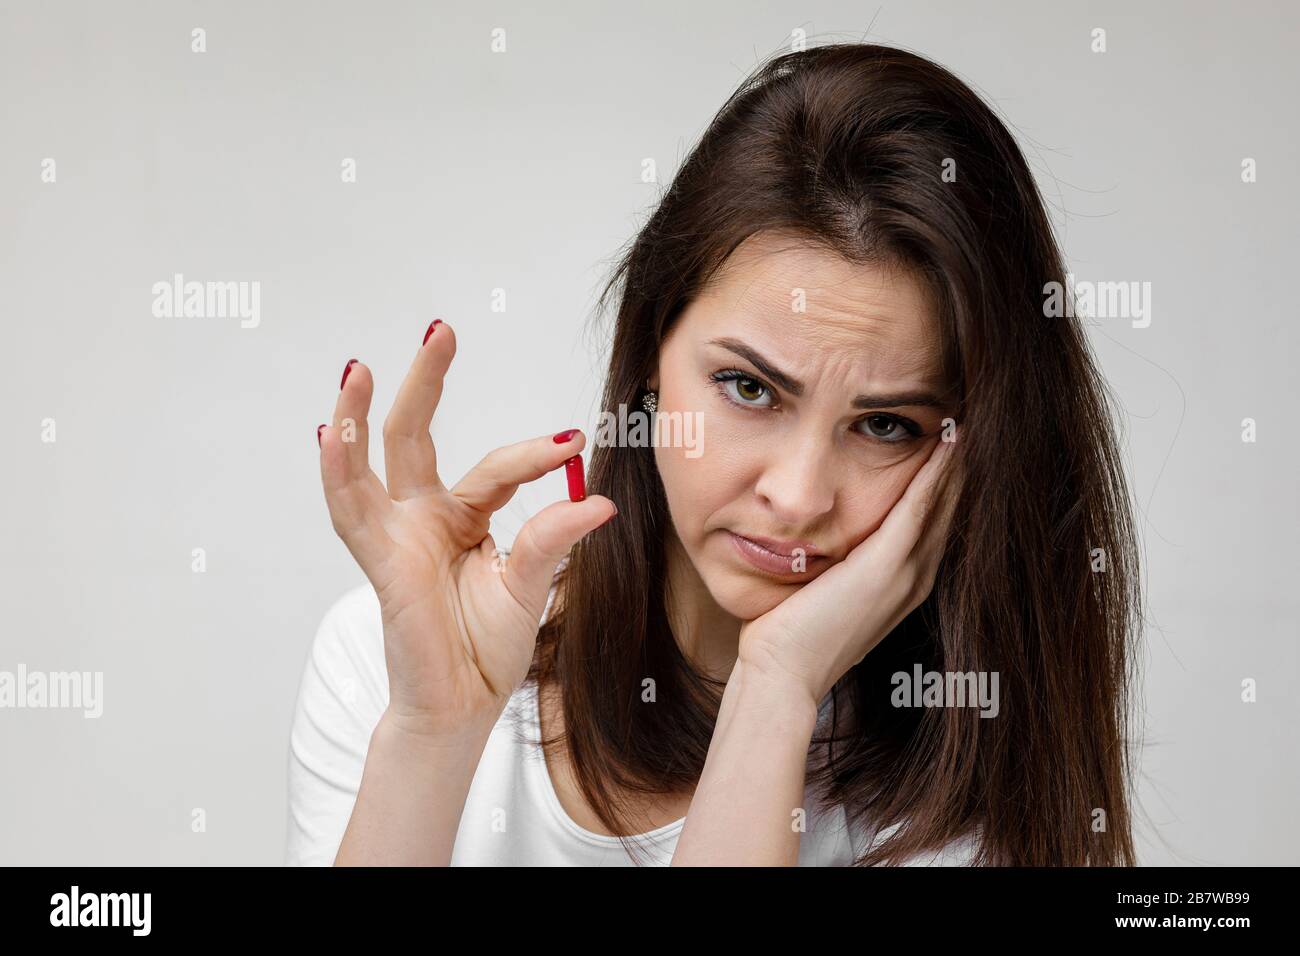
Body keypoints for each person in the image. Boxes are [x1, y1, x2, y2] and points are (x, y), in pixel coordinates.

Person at [288, 42, 1140, 866]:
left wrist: (775, 689)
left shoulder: (962, 789)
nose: (801, 497)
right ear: (651, 356)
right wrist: (434, 733)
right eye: (750, 389)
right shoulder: (389, 659)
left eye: (886, 425)